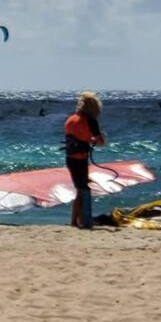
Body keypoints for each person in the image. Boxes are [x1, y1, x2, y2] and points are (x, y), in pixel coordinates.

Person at [64, 91, 106, 229]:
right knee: (82, 189)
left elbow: (76, 136)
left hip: (70, 159)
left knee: (80, 188)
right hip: (80, 159)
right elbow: (100, 142)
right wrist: (96, 139)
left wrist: (88, 138)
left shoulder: (70, 119)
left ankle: (75, 221)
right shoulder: (90, 120)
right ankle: (81, 221)